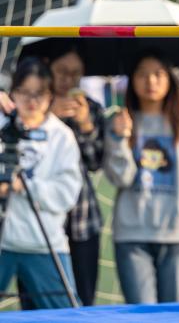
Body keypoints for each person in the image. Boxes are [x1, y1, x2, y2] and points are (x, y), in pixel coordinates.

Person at [103, 52, 179, 304]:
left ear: (169, 80)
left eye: (158, 74)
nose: (150, 81)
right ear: (132, 80)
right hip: (131, 236)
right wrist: (120, 139)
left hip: (174, 234)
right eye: (142, 74)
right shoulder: (120, 122)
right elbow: (122, 178)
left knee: (172, 315)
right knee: (142, 315)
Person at [0, 58, 82, 309]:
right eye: (24, 92)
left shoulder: (62, 136)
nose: (32, 101)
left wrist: (22, 186)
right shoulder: (3, 126)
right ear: (12, 93)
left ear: (50, 96)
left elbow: (67, 194)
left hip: (44, 242)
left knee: (65, 314)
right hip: (3, 240)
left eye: (39, 94)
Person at [39, 43, 105, 307]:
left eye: (76, 73)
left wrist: (86, 125)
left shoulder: (91, 108)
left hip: (82, 219)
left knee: (83, 301)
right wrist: (48, 116)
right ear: (48, 68)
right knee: (40, 301)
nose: (68, 79)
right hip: (39, 220)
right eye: (62, 71)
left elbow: (95, 162)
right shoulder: (33, 107)